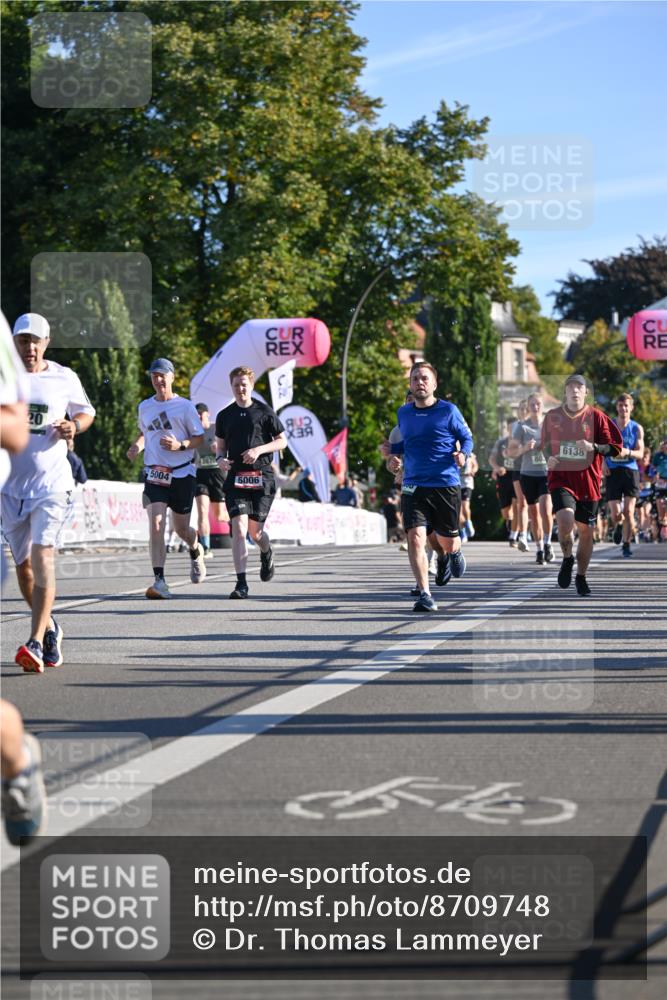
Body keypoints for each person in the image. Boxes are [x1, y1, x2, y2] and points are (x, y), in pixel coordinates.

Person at [1, 313, 96, 671]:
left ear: (46, 342)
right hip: (10, 490)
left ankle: (35, 642)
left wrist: (74, 426)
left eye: (35, 340)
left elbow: (87, 413)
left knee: (43, 556)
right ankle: (51, 626)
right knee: (24, 572)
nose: (30, 347)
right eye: (23, 340)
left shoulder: (63, 377)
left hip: (52, 486)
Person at [381, 362, 472, 613]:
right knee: (415, 538)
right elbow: (399, 450)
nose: (419, 382)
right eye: (414, 379)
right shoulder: (404, 413)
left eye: (424, 378)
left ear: (434, 384)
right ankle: (424, 593)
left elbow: (467, 438)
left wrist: (463, 454)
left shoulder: (449, 411)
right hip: (414, 485)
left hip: (445, 483)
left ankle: (452, 553)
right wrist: (393, 461)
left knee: (446, 540)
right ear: (410, 385)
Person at [127, 358, 206, 599]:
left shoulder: (184, 407)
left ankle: (195, 549)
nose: (158, 380)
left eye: (162, 375)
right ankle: (160, 580)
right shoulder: (145, 406)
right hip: (155, 473)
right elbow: (146, 432)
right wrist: (137, 447)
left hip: (182, 473)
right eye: (154, 376)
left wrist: (180, 445)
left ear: (171, 377)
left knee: (181, 530)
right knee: (157, 525)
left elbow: (199, 438)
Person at [541, 374, 622, 596]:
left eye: (580, 387)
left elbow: (615, 447)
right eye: (571, 387)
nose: (575, 391)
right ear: (565, 392)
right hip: (561, 478)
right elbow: (544, 444)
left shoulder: (597, 417)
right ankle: (567, 559)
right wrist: (549, 456)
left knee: (586, 532)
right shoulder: (553, 416)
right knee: (565, 521)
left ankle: (581, 577)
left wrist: (594, 446)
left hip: (589, 481)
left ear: (586, 392)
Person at [215, 365, 287, 600]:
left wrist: (258, 450)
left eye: (244, 384)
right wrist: (220, 461)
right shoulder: (224, 415)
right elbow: (221, 448)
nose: (240, 388)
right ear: (232, 387)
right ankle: (241, 583)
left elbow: (282, 442)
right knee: (239, 529)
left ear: (252, 385)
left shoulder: (264, 412)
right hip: (236, 479)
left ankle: (266, 551)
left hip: (261, 478)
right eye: (236, 385)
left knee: (256, 534)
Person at [510, 393, 554, 565]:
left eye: (538, 404)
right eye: (532, 405)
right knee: (534, 515)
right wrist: (524, 448)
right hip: (527, 474)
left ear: (543, 406)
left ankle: (549, 542)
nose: (535, 407)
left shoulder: (550, 426)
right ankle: (540, 548)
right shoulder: (521, 427)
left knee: (546, 510)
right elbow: (511, 452)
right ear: (528, 407)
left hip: (545, 474)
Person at [605, 393, 644, 558]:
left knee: (628, 511)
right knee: (615, 513)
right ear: (617, 407)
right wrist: (602, 464)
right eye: (621, 405)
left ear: (631, 407)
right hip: (612, 471)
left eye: (626, 405)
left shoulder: (636, 428)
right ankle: (618, 526)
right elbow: (601, 448)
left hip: (630, 470)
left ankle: (626, 544)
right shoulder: (609, 425)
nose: (623, 408)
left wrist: (627, 452)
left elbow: (641, 453)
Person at [193, 402, 227, 558]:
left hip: (217, 474)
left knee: (220, 515)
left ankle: (237, 522)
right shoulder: (193, 432)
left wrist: (219, 448)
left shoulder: (216, 428)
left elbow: (228, 447)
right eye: (197, 414)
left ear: (208, 414)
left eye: (201, 414)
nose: (199, 416)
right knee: (202, 512)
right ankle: (205, 547)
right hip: (201, 474)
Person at [488, 419, 520, 545]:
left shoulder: (522, 442)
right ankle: (510, 521)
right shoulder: (500, 442)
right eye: (510, 427)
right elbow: (492, 459)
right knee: (506, 512)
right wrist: (496, 468)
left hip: (517, 476)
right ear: (507, 428)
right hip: (504, 477)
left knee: (517, 505)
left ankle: (513, 535)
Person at [510, 399, 530, 551]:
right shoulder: (515, 427)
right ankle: (522, 535)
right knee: (521, 502)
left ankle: (543, 543)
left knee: (535, 507)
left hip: (536, 468)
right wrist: (523, 449)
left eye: (525, 408)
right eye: (521, 409)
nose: (523, 411)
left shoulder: (537, 425)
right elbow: (511, 451)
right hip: (518, 467)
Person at [459, 452, 478, 541]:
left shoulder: (469, 453)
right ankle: (463, 531)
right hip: (455, 483)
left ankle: (468, 522)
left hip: (466, 483)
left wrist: (472, 471)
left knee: (465, 505)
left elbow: (475, 465)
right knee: (458, 510)